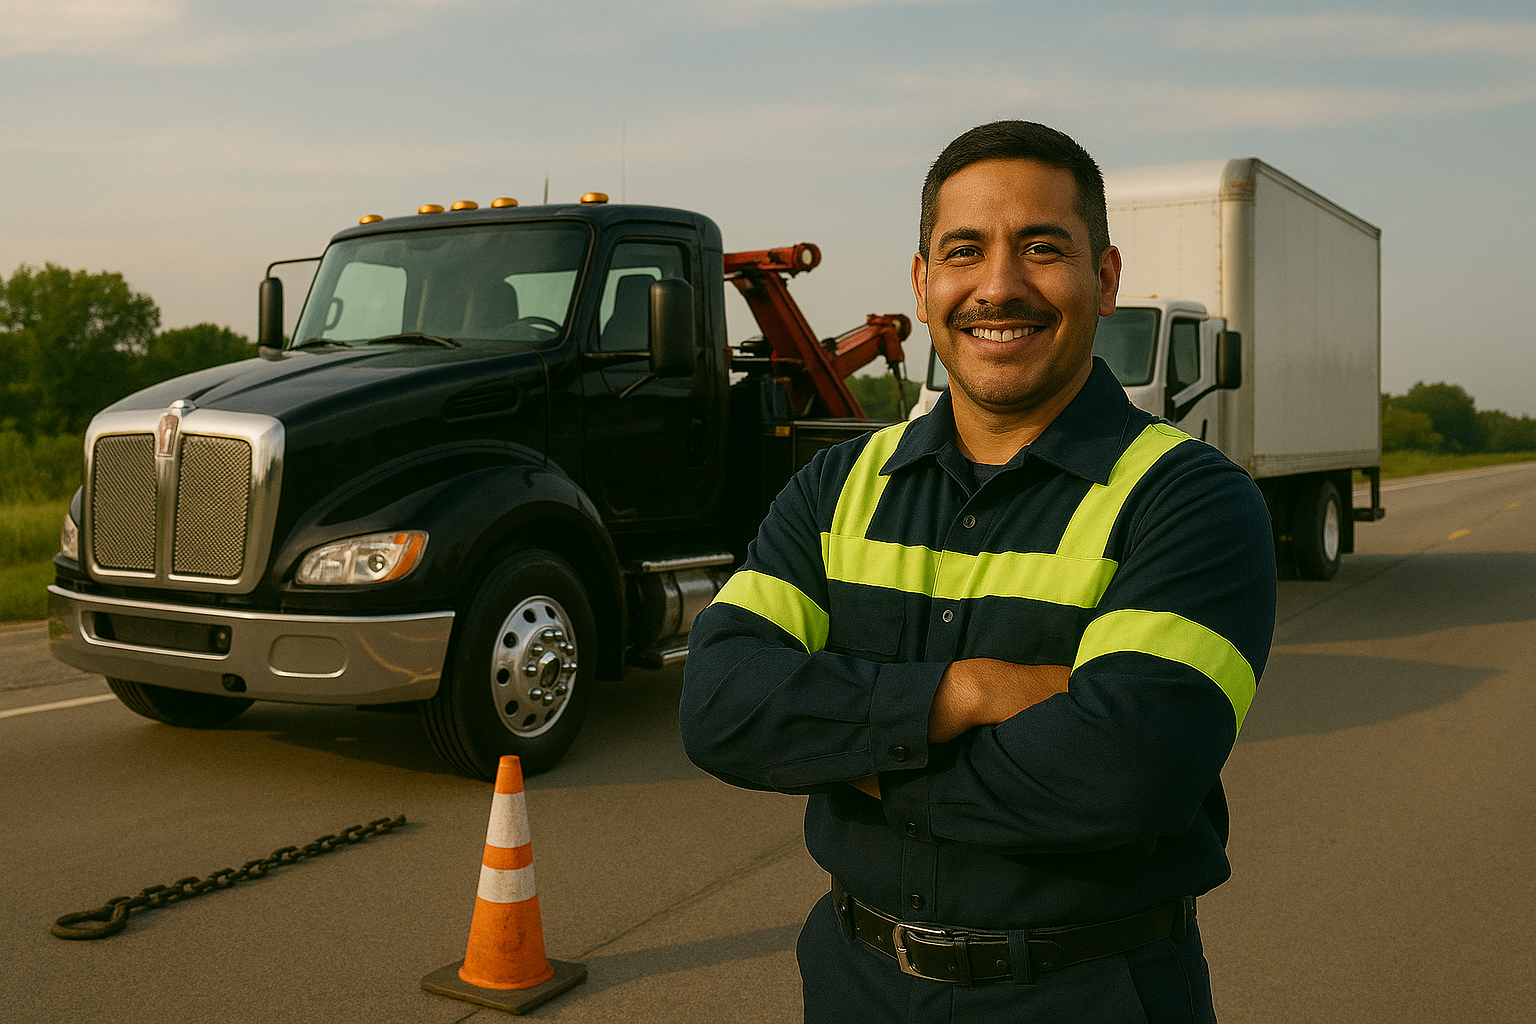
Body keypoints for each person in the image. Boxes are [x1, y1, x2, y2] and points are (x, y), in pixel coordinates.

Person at [680, 120, 1276, 1023]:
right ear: (923, 285)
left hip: (1089, 994)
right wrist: (963, 693)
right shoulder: (839, 484)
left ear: (1103, 278)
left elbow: (1126, 778)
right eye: (965, 250)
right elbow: (722, 705)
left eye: (1042, 247)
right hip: (854, 983)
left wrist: (851, 747)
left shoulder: (1190, 499)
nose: (999, 285)